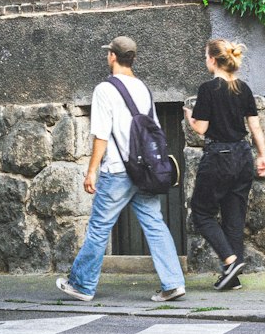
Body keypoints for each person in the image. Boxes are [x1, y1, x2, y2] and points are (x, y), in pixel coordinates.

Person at [56, 35, 186, 303]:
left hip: (117, 170)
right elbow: (155, 131)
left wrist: (91, 170)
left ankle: (82, 284)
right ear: (133, 59)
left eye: (108, 54)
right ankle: (173, 282)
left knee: (99, 228)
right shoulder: (143, 89)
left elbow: (101, 135)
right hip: (143, 171)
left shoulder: (105, 89)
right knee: (155, 224)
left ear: (113, 56)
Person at [184, 38, 265, 290]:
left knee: (201, 213)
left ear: (212, 60)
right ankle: (233, 278)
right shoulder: (244, 88)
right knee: (234, 217)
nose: (205, 61)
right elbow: (254, 126)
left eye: (205, 57)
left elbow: (201, 128)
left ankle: (230, 261)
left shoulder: (208, 89)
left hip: (219, 157)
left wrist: (189, 116)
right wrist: (262, 156)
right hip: (243, 156)